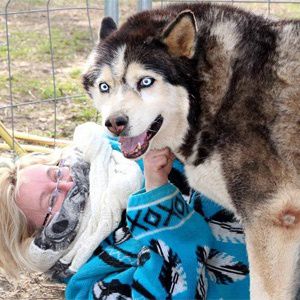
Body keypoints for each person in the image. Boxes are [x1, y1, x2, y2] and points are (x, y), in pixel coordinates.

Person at [0, 122, 249, 299]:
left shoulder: (119, 150)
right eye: (51, 199)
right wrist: (156, 195)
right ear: (38, 240)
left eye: (55, 174)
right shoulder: (91, 283)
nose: (68, 184)